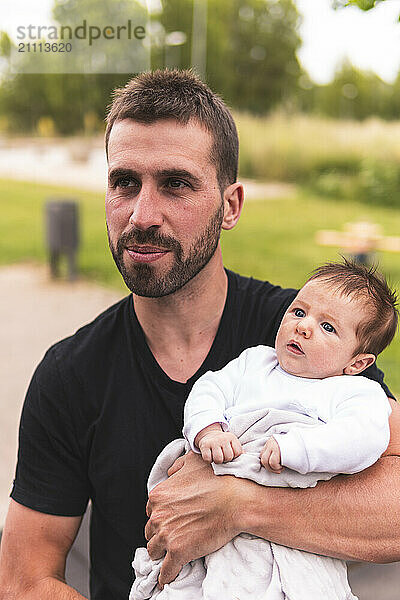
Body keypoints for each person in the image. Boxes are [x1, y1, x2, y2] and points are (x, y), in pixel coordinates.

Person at [0, 69, 399, 600]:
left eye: (176, 184)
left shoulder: (304, 334)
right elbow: (24, 579)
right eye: (124, 183)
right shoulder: (70, 373)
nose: (142, 215)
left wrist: (238, 505)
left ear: (230, 205)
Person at [188, 260, 396, 477]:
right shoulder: (255, 361)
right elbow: (208, 389)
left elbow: (363, 438)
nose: (303, 326)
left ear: (357, 364)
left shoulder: (355, 393)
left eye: (327, 327)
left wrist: (296, 447)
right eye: (298, 312)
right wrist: (209, 430)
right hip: (227, 459)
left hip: (279, 480)